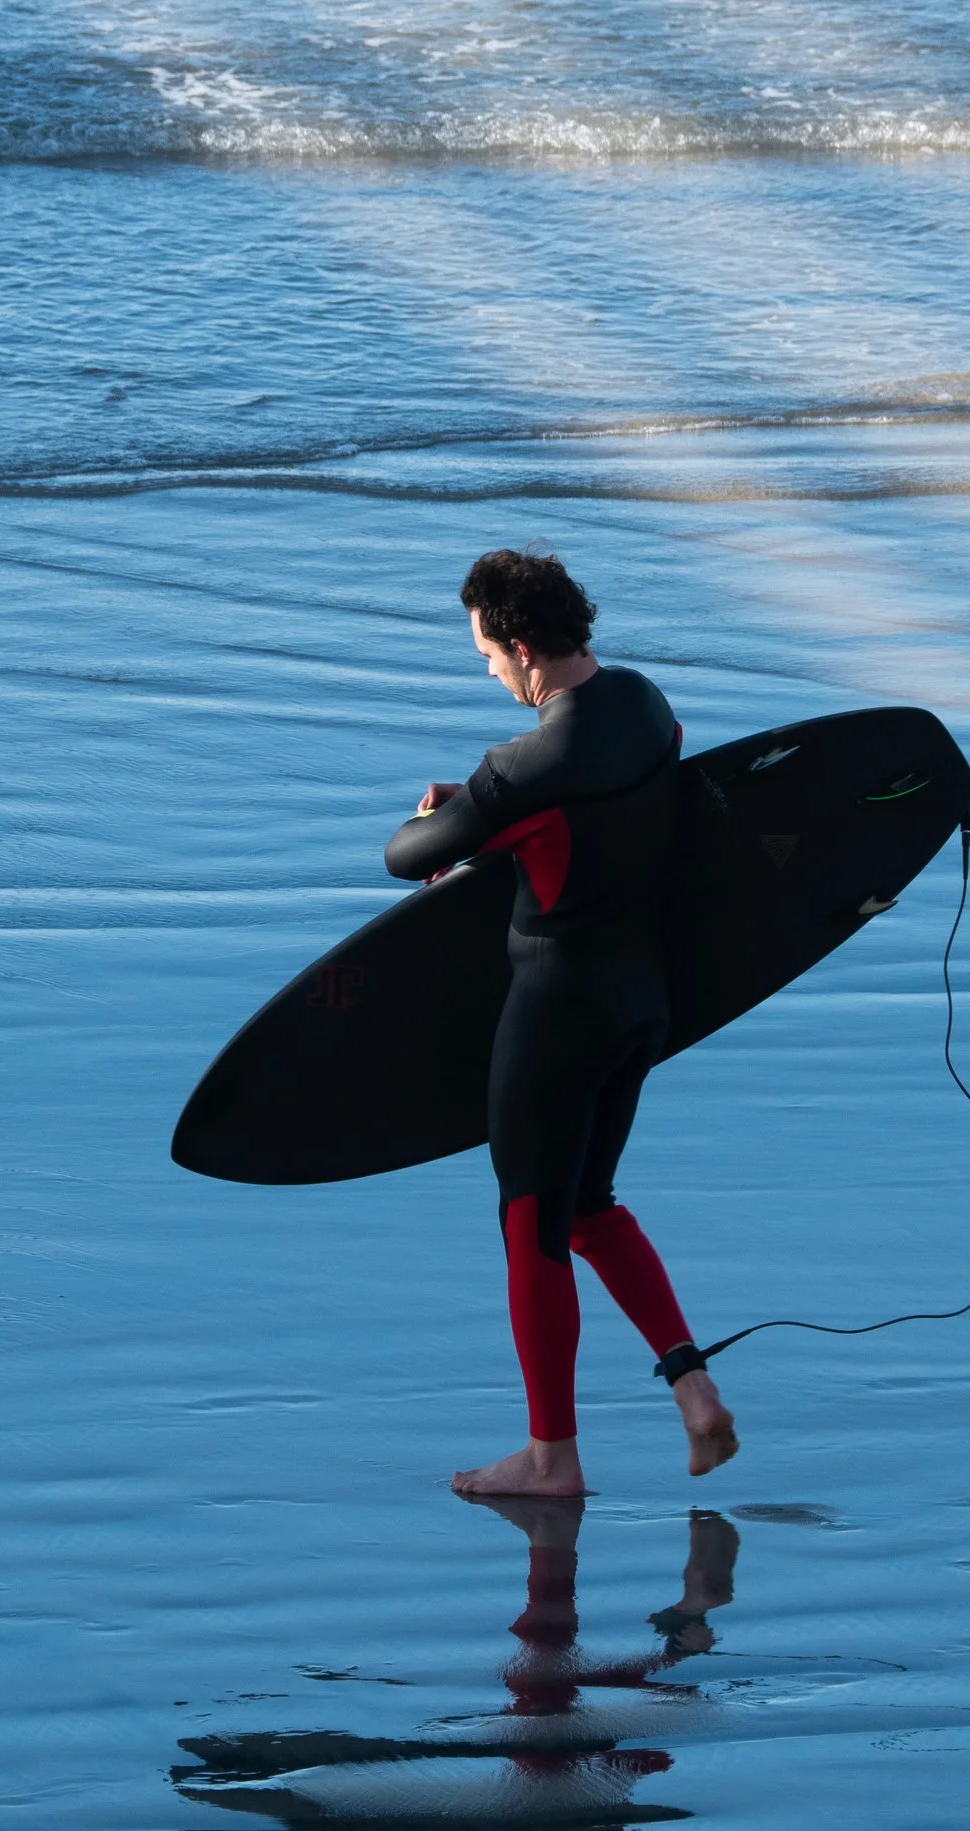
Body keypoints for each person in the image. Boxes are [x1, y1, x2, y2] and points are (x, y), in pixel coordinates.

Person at [384, 549, 737, 1496]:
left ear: (525, 647)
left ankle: (551, 1459)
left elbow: (406, 854)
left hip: (554, 1013)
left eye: (489, 654)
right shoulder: (644, 702)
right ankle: (694, 1391)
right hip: (644, 1005)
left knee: (532, 1224)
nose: (488, 670)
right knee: (592, 1205)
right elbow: (602, 810)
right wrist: (494, 811)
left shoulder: (522, 764)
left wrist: (469, 806)